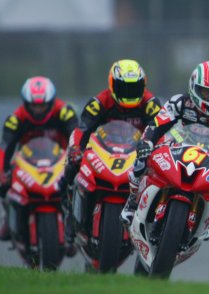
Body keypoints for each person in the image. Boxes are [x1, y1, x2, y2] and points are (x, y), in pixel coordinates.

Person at [119, 60, 209, 225]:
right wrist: (146, 143)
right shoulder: (178, 102)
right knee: (141, 161)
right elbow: (157, 125)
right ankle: (132, 202)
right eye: (206, 92)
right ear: (194, 87)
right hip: (178, 148)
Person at [61, 59, 162, 245]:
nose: (129, 93)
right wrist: (75, 149)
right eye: (124, 88)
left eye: (134, 88)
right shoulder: (99, 102)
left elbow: (160, 132)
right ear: (112, 85)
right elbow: (82, 129)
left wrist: (155, 152)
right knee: (72, 164)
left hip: (136, 154)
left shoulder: (151, 104)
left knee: (160, 176)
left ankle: (154, 225)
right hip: (105, 152)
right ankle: (68, 211)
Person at [0, 76, 78, 244]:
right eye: (34, 105)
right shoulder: (15, 119)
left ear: (51, 102)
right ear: (26, 103)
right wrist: (0, 172)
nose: (38, 110)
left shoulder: (64, 112)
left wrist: (75, 158)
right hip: (28, 164)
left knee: (77, 178)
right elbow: (3, 148)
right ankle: (7, 217)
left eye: (42, 105)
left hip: (60, 163)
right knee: (3, 184)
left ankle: (73, 220)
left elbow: (77, 136)